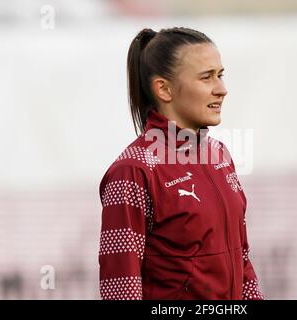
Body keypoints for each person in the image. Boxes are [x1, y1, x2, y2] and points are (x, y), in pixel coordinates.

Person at [98, 27, 263, 300]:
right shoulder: (133, 171)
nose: (222, 90)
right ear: (164, 89)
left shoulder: (219, 155)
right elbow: (120, 286)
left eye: (220, 75)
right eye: (206, 77)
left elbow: (242, 261)